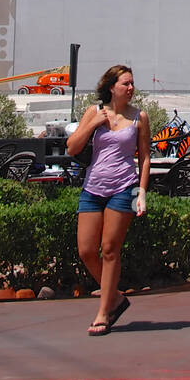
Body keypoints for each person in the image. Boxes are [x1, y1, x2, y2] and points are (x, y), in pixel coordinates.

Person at [66, 65, 150, 336]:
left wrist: (142, 193)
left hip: (123, 188)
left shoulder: (139, 117)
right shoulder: (95, 111)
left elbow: (145, 158)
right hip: (93, 188)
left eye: (132, 83)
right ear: (111, 86)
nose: (130, 88)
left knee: (110, 249)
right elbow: (72, 148)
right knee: (86, 250)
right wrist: (91, 124)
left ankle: (104, 312)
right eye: (125, 83)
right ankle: (115, 298)